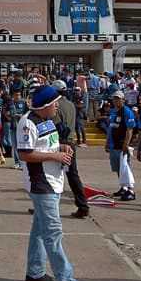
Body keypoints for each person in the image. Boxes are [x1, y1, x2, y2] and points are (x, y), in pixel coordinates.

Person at [16, 85, 92, 281]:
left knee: (40, 230)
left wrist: (61, 147)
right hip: (42, 184)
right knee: (53, 233)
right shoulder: (28, 123)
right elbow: (24, 154)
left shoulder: (46, 121)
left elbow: (47, 145)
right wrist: (55, 157)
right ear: (46, 105)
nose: (58, 106)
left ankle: (35, 272)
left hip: (53, 181)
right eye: (55, 103)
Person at [53, 80, 92, 219]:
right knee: (73, 176)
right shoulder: (70, 104)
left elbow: (56, 125)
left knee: (49, 175)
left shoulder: (55, 105)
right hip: (70, 141)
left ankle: (45, 206)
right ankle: (83, 206)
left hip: (59, 142)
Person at [105, 90, 137, 201]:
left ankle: (131, 190)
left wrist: (126, 144)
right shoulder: (113, 111)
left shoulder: (127, 112)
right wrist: (107, 142)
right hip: (113, 144)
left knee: (125, 167)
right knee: (118, 168)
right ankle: (123, 187)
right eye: (115, 99)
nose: (116, 101)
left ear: (123, 100)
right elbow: (110, 127)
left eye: (118, 99)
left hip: (122, 143)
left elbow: (130, 129)